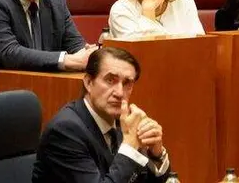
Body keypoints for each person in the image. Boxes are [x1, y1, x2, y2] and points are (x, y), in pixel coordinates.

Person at [32, 46, 171, 182]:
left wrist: (156, 153)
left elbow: (139, 178)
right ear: (88, 82)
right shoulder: (65, 131)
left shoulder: (122, 122)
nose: (120, 93)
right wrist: (130, 147)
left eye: (127, 83)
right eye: (110, 80)